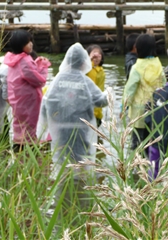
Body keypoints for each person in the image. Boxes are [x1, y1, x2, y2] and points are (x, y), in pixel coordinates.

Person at [38, 42, 109, 210]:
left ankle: (62, 204)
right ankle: (81, 204)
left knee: (62, 164)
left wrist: (41, 131)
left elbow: (46, 103)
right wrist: (110, 93)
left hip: (60, 131)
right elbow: (101, 101)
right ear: (83, 62)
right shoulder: (84, 81)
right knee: (81, 164)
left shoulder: (57, 80)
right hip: (81, 131)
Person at [4, 29, 51, 152]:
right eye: (27, 42)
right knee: (33, 130)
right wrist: (44, 66)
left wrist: (36, 64)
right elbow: (39, 81)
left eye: (31, 41)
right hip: (29, 102)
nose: (31, 44)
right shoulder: (24, 60)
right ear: (20, 45)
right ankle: (33, 160)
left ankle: (19, 162)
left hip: (18, 101)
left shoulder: (13, 59)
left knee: (19, 129)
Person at [122, 34, 166, 155]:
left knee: (137, 145)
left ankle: (137, 169)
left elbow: (130, 89)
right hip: (155, 110)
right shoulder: (158, 65)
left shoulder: (136, 67)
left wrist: (124, 105)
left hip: (138, 113)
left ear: (137, 48)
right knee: (153, 142)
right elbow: (164, 85)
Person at [86, 44, 106, 127]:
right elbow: (80, 70)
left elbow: (100, 91)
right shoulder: (86, 68)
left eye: (99, 55)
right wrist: (89, 60)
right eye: (94, 54)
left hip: (96, 109)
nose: (96, 57)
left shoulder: (101, 72)